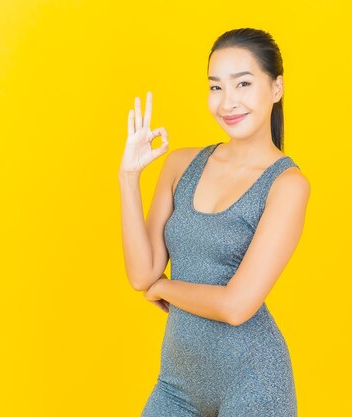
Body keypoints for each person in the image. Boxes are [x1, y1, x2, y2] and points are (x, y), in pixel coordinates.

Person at [118, 27, 310, 417]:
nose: (228, 102)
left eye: (243, 83)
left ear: (276, 88)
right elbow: (141, 275)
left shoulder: (287, 185)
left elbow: (237, 305)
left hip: (254, 384)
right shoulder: (179, 165)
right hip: (176, 384)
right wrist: (128, 176)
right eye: (216, 87)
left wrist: (165, 287)